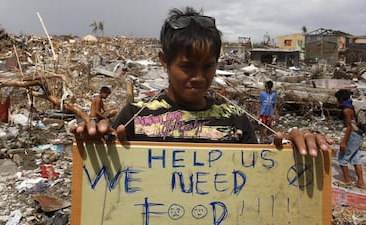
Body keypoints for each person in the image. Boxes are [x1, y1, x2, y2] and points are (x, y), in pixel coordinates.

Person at [71, 6, 332, 158]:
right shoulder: (134, 118)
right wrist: (93, 141)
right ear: (164, 60)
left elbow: (257, 179)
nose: (198, 77)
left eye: (208, 66)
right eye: (186, 67)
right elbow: (107, 177)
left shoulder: (236, 120)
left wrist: (292, 152)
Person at [333, 89, 365, 189]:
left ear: (341, 99)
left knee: (342, 157)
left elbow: (349, 127)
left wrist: (343, 142)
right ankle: (360, 182)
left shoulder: (347, 110)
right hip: (359, 135)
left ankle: (347, 180)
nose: (337, 101)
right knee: (356, 158)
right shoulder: (352, 106)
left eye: (337, 99)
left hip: (353, 135)